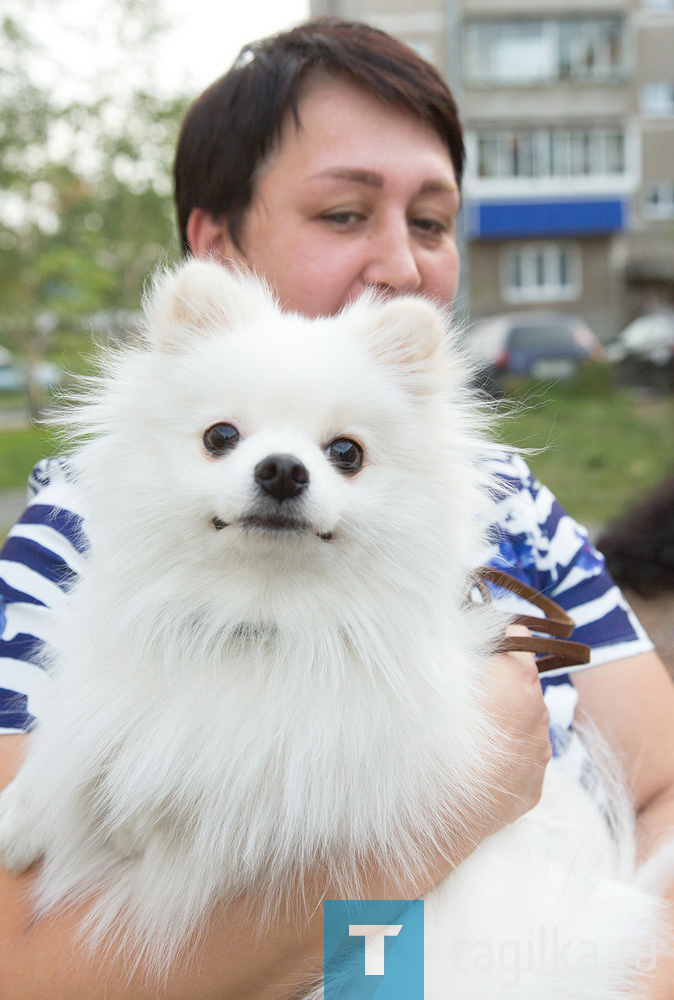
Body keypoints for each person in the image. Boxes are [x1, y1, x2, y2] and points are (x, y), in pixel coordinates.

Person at [1, 18, 674, 999]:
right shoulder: (85, 531)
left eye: (432, 221)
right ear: (214, 243)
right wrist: (452, 810)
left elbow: (657, 781)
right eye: (344, 214)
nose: (402, 264)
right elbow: (24, 966)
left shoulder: (509, 510)